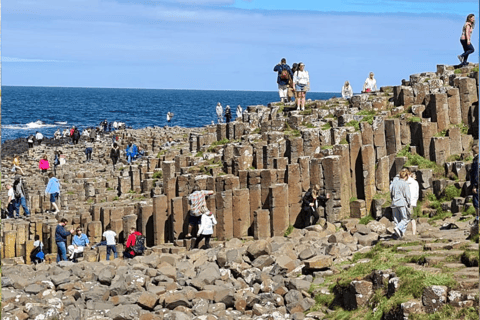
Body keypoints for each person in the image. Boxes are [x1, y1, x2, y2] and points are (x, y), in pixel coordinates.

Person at [390, 169, 411, 239]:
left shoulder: (394, 183)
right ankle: (398, 228)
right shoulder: (405, 184)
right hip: (401, 203)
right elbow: (407, 195)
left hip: (394, 203)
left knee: (396, 219)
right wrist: (409, 203)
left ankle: (398, 235)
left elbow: (391, 193)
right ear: (406, 176)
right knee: (405, 219)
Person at [407, 171, 419, 236]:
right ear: (412, 175)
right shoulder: (415, 183)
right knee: (413, 219)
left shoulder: (405, 182)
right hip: (413, 202)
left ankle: (402, 233)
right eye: (415, 175)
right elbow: (417, 194)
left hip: (406, 202)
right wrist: (415, 200)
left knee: (405, 218)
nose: (416, 177)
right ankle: (413, 233)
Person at [470, 145, 479, 217]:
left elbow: (476, 174)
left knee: (476, 202)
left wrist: (474, 186)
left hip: (478, 185)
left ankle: (478, 219)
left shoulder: (476, 160)